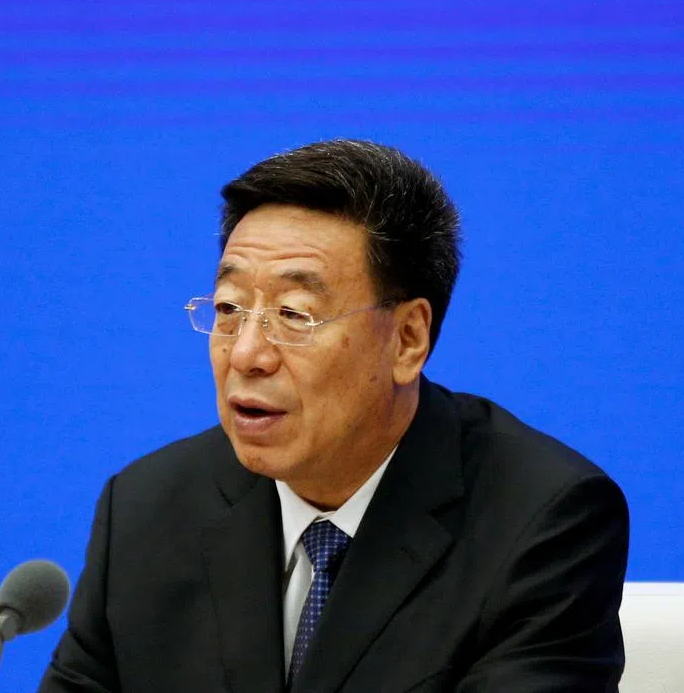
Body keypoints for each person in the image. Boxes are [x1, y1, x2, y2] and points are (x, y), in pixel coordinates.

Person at [38, 139, 629, 693]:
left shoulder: (543, 521)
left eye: (294, 315)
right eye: (228, 308)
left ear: (407, 339)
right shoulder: (146, 509)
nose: (246, 353)